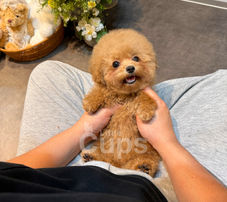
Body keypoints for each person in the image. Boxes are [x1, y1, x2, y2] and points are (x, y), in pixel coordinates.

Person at [1, 61, 227, 202]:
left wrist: (84, 129)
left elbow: (13, 173)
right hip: (156, 188)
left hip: (62, 175)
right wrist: (167, 142)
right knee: (222, 84)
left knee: (49, 72)